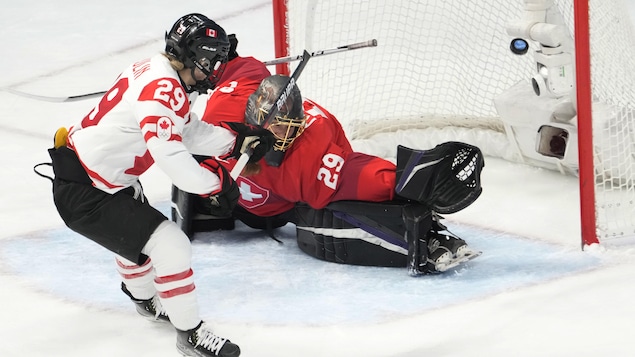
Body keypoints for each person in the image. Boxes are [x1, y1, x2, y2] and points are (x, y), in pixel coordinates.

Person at [37, 14, 275, 357]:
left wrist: (234, 141)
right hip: (87, 191)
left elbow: (186, 130)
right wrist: (215, 184)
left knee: (134, 239)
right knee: (171, 246)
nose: (216, 70)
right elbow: (172, 159)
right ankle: (189, 335)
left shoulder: (160, 72)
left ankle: (145, 301)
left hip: (98, 177)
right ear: (199, 57)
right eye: (213, 61)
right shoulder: (161, 90)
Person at [173, 38, 484, 276]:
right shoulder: (238, 106)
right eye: (275, 127)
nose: (281, 136)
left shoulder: (302, 149)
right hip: (253, 209)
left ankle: (418, 234)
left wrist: (408, 182)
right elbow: (237, 66)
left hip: (269, 204)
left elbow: (356, 175)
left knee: (318, 209)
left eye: (288, 127)